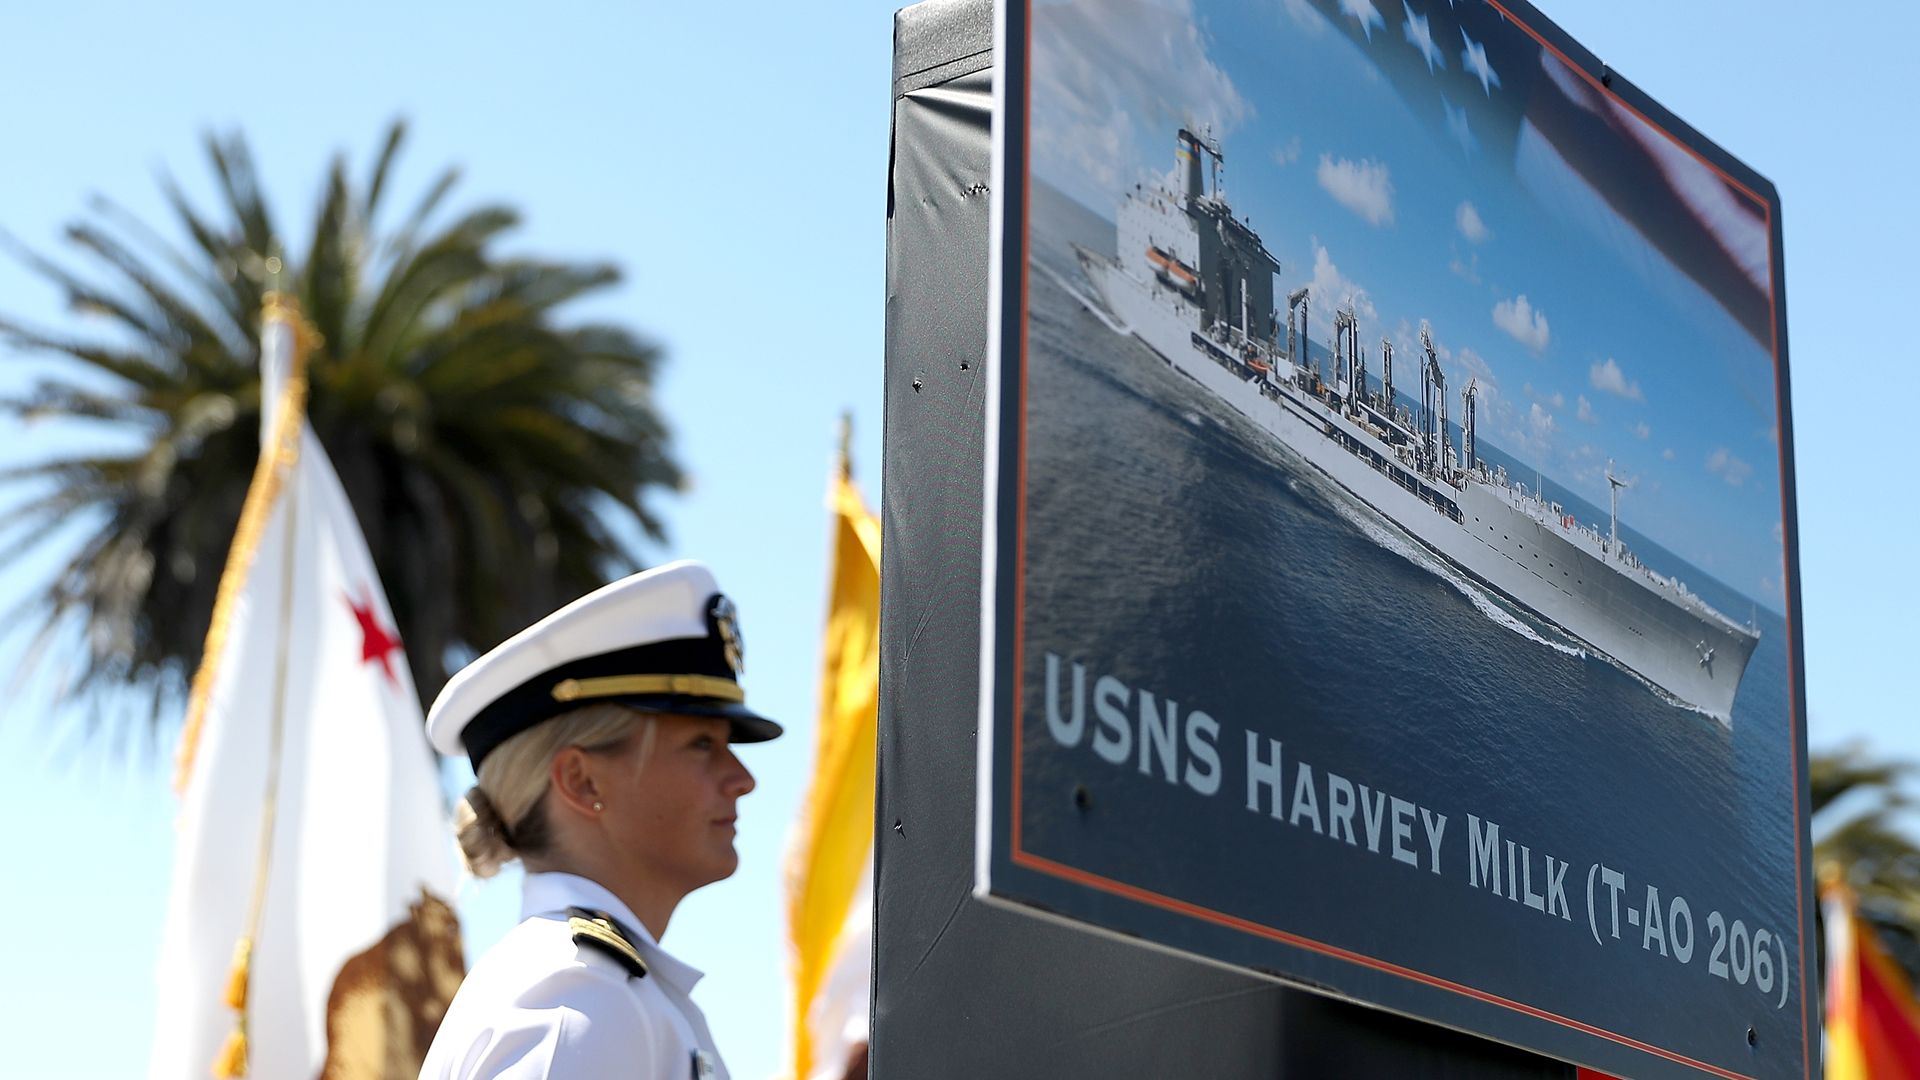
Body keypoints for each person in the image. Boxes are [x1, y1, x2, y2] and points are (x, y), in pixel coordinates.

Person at [418, 560, 781, 1080]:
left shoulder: (599, 993)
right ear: (584, 782)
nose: (743, 779)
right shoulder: (574, 1005)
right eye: (702, 744)